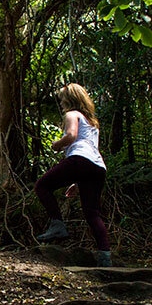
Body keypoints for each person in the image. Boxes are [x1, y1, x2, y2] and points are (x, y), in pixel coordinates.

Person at [34, 83, 112, 267]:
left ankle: (57, 225)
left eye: (62, 99)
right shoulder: (92, 123)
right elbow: (92, 150)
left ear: (69, 100)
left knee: (42, 186)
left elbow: (71, 135)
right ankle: (105, 256)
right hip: (97, 166)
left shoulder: (72, 115)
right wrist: (77, 183)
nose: (60, 103)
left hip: (79, 159)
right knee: (92, 213)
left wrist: (57, 144)